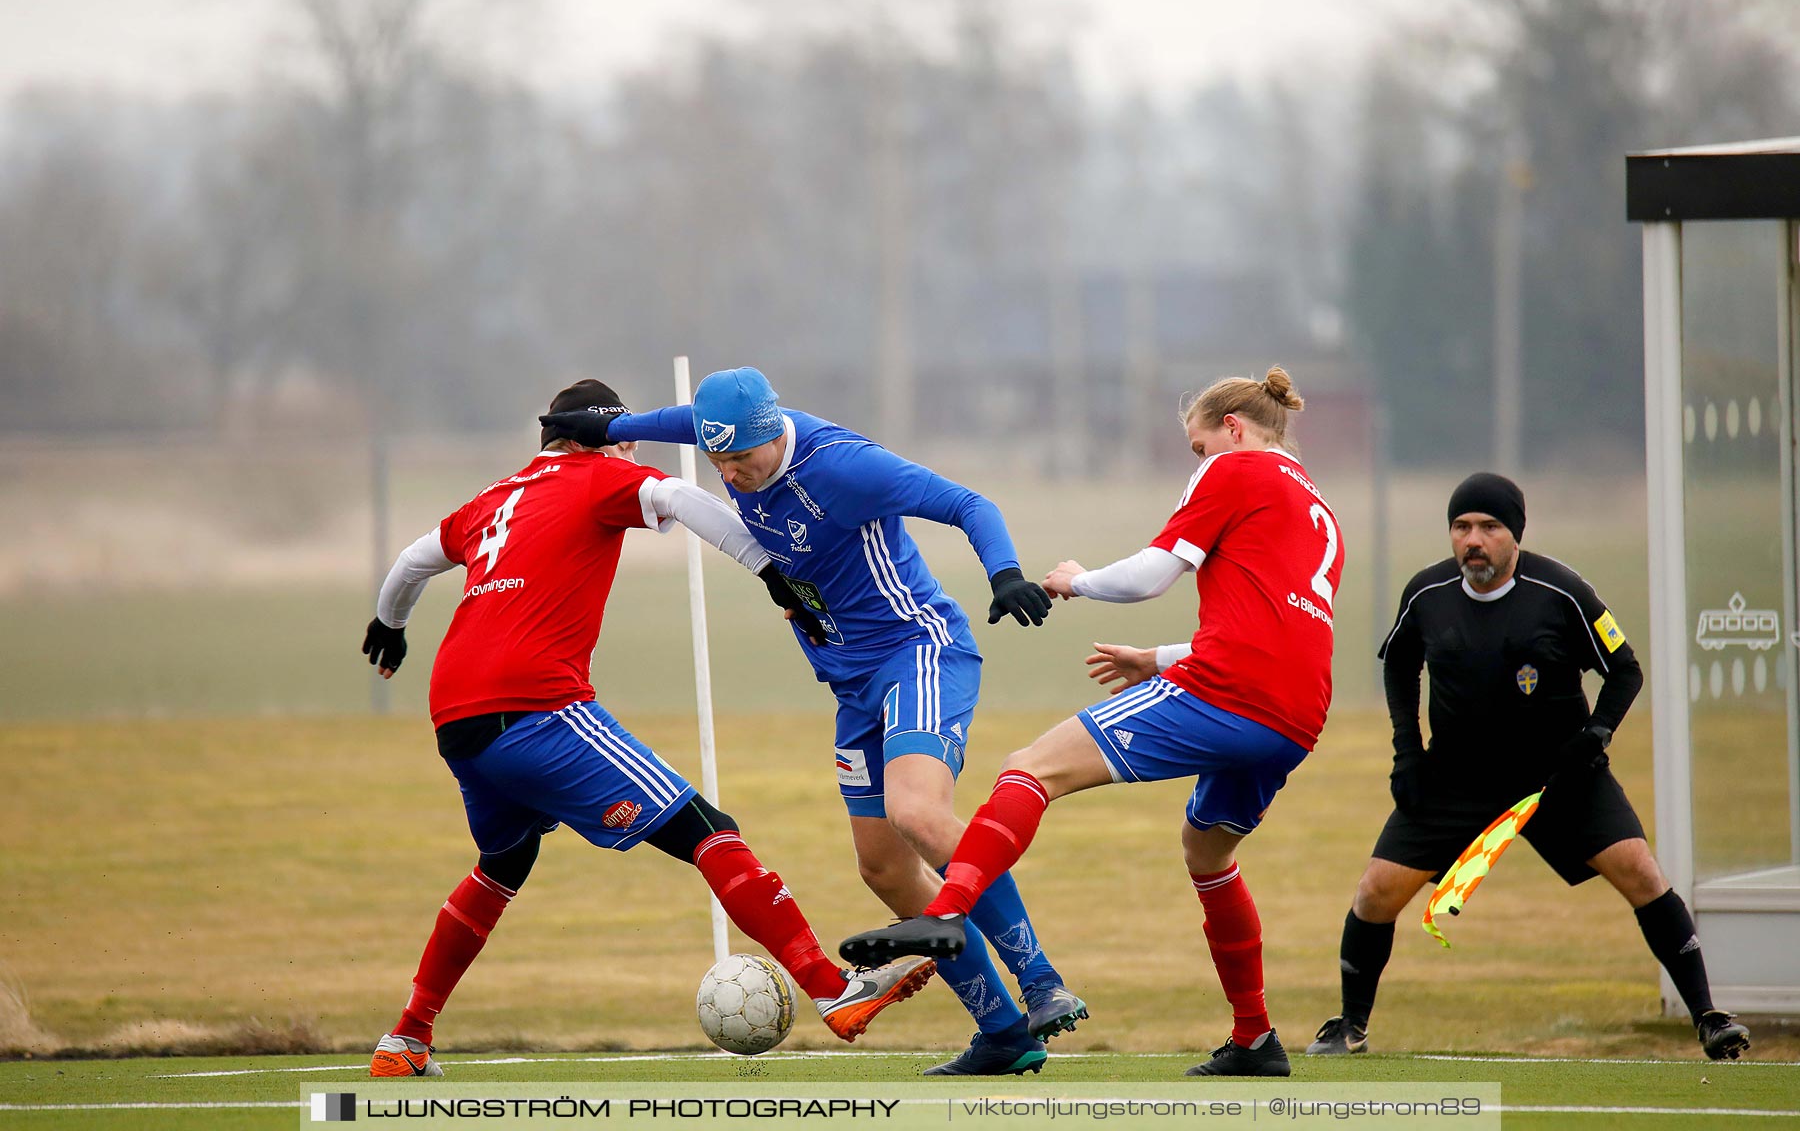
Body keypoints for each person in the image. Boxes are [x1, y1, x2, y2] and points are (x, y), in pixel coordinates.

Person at [358, 379, 935, 1078]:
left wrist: (389, 627)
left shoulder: (492, 499)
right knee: (709, 830)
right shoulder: (601, 474)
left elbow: (413, 561)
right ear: (612, 438)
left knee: (502, 865)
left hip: (456, 715)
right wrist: (772, 574)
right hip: (537, 703)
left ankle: (406, 1037)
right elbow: (680, 498)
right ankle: (831, 990)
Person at [541, 367, 1081, 1077]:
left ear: (775, 433)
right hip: (851, 684)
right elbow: (668, 423)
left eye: (745, 460)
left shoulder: (846, 467)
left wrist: (1004, 571)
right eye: (719, 461)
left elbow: (967, 503)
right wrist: (608, 430)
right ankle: (1005, 1030)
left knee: (917, 812)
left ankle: (1041, 984)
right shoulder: (723, 438)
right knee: (883, 866)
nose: (733, 473)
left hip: (917, 649)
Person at [839, 366, 1343, 1079]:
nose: (1198, 462)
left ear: (1231, 428)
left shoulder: (1236, 469)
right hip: (1296, 713)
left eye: (1198, 448)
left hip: (1232, 690)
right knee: (1208, 856)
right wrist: (1160, 657)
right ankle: (1255, 1038)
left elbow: (1152, 575)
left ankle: (949, 911)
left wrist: (1076, 579)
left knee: (1030, 768)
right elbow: (1280, 627)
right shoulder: (1315, 504)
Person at [1304, 472, 1751, 1062]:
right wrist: (1407, 753)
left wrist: (1593, 736)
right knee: (1376, 892)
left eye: (1489, 527)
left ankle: (1709, 1017)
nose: (1474, 540)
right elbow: (1399, 665)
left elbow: (1625, 671)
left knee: (1641, 873)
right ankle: (1350, 1027)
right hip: (1455, 777)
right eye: (1462, 527)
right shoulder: (1427, 594)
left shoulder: (1561, 592)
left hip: (1559, 777)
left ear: (1514, 534)